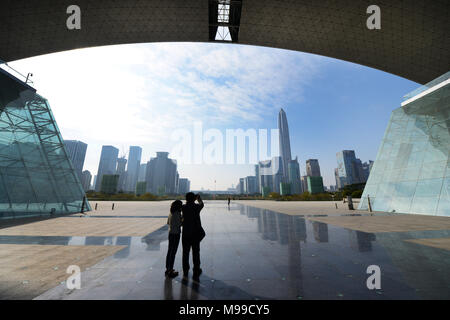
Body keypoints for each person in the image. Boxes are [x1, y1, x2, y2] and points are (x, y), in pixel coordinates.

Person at [181, 192, 204, 279]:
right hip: (195, 233)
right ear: (193, 199)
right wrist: (198, 198)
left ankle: (185, 269)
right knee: (196, 252)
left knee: (185, 253)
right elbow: (201, 204)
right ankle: (196, 268)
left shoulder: (183, 207)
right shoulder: (196, 207)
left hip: (186, 233)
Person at [165, 200, 183, 278]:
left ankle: (167, 268)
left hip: (170, 233)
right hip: (176, 234)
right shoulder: (177, 213)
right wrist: (183, 219)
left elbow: (168, 223)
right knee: (173, 252)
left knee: (169, 251)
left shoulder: (171, 213)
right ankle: (170, 270)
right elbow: (180, 224)